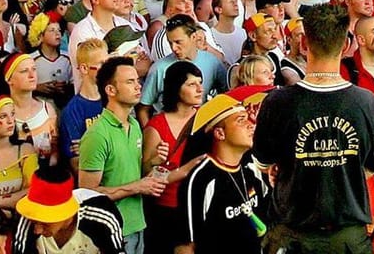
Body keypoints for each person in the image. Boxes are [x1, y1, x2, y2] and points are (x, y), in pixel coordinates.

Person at [252, 1, 374, 254]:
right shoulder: (367, 102)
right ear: (347, 45)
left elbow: (263, 164)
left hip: (291, 235)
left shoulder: (277, 101)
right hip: (346, 237)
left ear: (304, 44)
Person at [76, 56, 165, 254]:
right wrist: (136, 187)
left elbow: (134, 174)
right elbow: (87, 195)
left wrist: (153, 163)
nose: (138, 86)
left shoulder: (134, 125)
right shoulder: (97, 135)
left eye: (137, 80)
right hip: (110, 231)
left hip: (137, 223)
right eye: (130, 82)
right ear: (110, 90)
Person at [171, 95, 266, 254]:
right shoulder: (202, 178)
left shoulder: (251, 169)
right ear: (220, 133)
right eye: (241, 120)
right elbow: (185, 246)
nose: (251, 125)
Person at [140, 62, 206, 254]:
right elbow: (147, 174)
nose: (200, 89)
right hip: (167, 208)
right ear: (176, 88)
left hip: (197, 204)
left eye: (200, 83)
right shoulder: (157, 125)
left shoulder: (206, 120)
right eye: (192, 84)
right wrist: (155, 162)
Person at [10, 165, 125, 254]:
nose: (37, 230)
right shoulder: (25, 218)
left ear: (67, 214)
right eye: (35, 221)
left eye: (45, 223)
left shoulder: (102, 216)